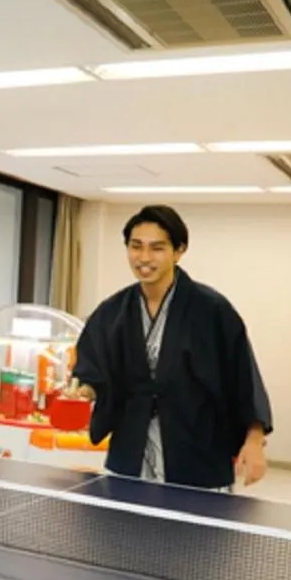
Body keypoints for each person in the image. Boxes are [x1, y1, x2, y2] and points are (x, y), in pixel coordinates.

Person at [66, 204, 271, 491]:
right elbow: (93, 371)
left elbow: (243, 379)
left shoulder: (212, 310)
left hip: (197, 452)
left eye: (157, 248)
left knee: (198, 535)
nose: (144, 258)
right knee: (125, 531)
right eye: (136, 247)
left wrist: (253, 440)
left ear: (179, 251)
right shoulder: (112, 312)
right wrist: (83, 391)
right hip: (130, 452)